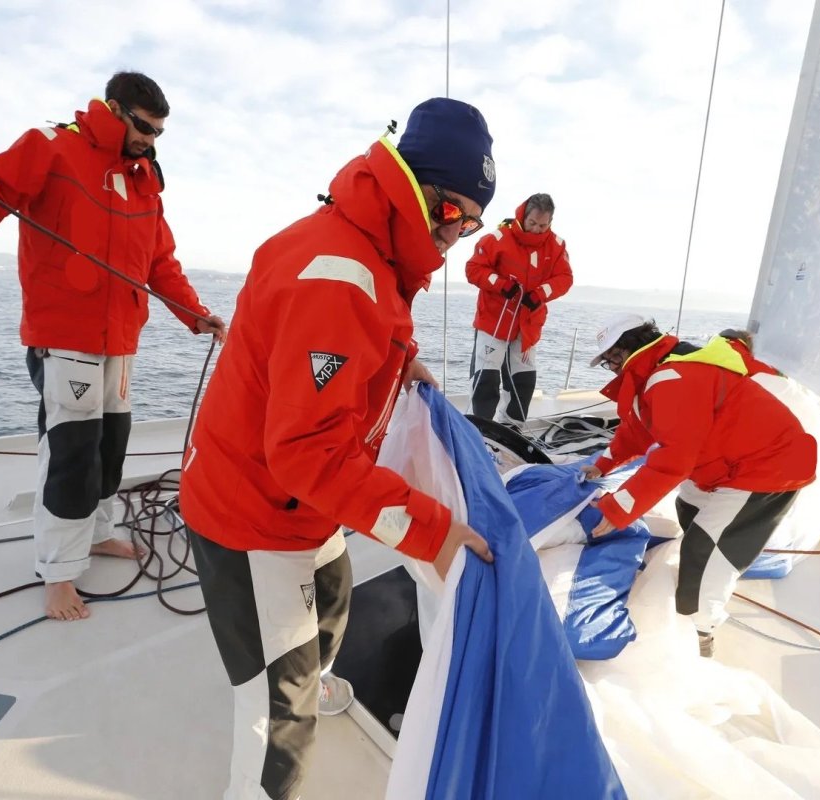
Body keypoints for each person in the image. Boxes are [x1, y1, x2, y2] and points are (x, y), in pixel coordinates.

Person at [178, 97, 496, 800]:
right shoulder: (340, 275)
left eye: (473, 224)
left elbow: (342, 350)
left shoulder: (366, 246)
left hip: (300, 505)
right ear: (417, 191)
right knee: (278, 716)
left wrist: (397, 361)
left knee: (332, 598)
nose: (458, 235)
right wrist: (433, 533)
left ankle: (310, 676)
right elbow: (307, 455)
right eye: (454, 214)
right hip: (255, 514)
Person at [0, 71, 225, 622]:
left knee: (110, 445)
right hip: (66, 338)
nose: (151, 140)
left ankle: (97, 534)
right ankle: (58, 573)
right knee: (71, 452)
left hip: (121, 340)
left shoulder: (144, 183)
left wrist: (196, 315)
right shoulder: (51, 146)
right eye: (144, 127)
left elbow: (161, 263)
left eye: (158, 132)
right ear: (114, 110)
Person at [583, 314, 816, 657]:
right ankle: (710, 568)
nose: (612, 368)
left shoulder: (672, 377)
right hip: (726, 466)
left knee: (704, 554)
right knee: (687, 506)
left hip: (764, 470)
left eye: (612, 359)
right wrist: (603, 465)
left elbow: (674, 459)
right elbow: (637, 431)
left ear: (629, 348)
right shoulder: (656, 372)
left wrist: (617, 508)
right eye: (608, 362)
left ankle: (701, 631)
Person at [466, 193, 573, 423]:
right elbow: (474, 269)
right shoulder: (497, 239)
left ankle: (512, 429)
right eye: (532, 223)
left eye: (542, 226)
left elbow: (564, 279)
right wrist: (501, 285)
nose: (536, 230)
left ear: (550, 222)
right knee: (486, 380)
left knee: (523, 383)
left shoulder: (556, 246)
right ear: (523, 216)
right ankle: (481, 429)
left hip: (528, 325)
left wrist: (540, 294)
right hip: (493, 322)